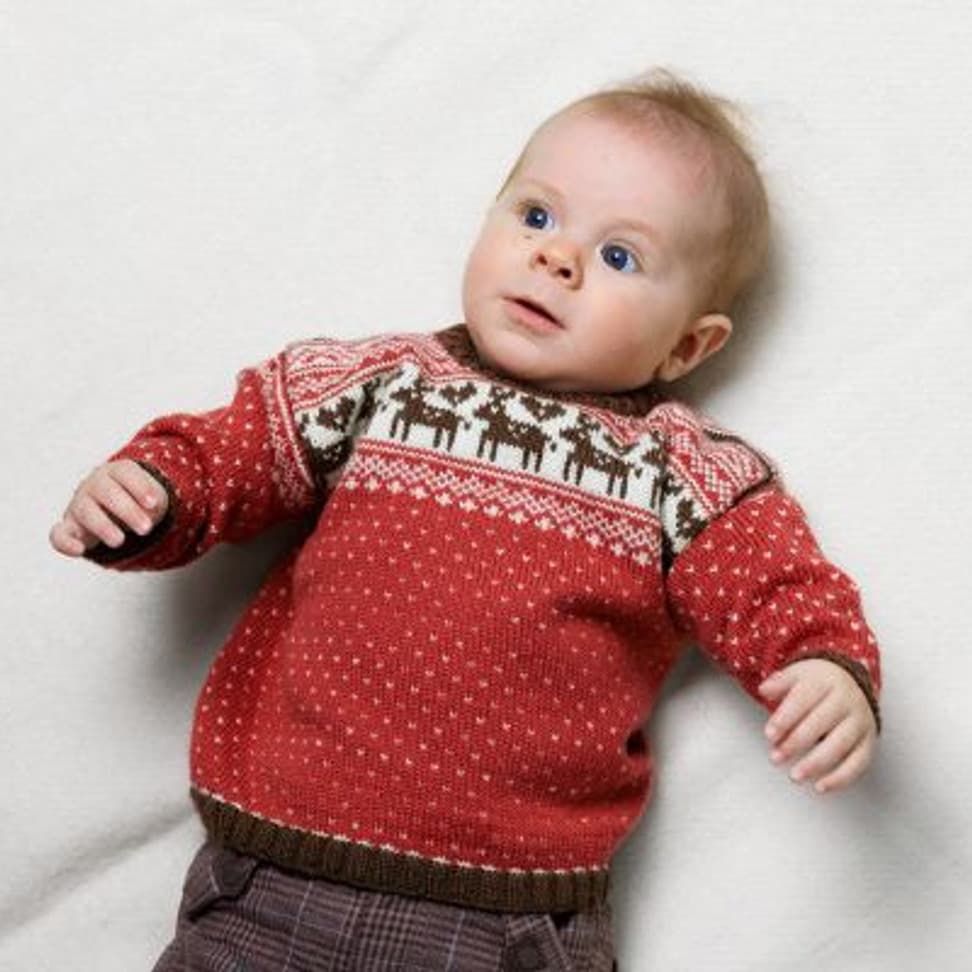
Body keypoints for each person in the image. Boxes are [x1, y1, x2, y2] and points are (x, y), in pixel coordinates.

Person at [49, 67, 882, 971]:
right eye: (536, 215)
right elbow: (236, 451)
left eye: (619, 257)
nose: (556, 259)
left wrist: (822, 665)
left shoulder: (681, 469)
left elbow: (775, 582)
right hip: (275, 877)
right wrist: (152, 490)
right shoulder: (378, 383)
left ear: (688, 344)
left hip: (511, 918)